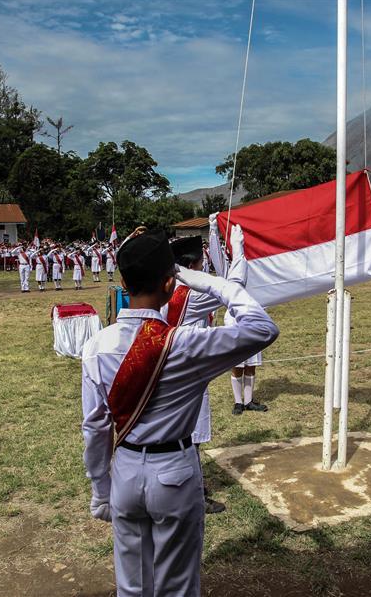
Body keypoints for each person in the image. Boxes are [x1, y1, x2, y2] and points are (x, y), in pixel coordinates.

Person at [81, 229, 278, 597]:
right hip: (174, 472)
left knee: (132, 587)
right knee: (178, 587)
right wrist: (213, 283)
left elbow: (94, 427)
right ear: (171, 283)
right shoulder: (186, 344)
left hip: (123, 470)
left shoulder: (97, 345)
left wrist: (100, 489)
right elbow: (263, 328)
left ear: (123, 281)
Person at [162, 231, 247, 515]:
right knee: (191, 436)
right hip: (189, 368)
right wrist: (238, 250)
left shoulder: (168, 287)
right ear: (194, 265)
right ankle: (193, 493)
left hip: (173, 365)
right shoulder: (190, 294)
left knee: (182, 434)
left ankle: (190, 485)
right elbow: (234, 288)